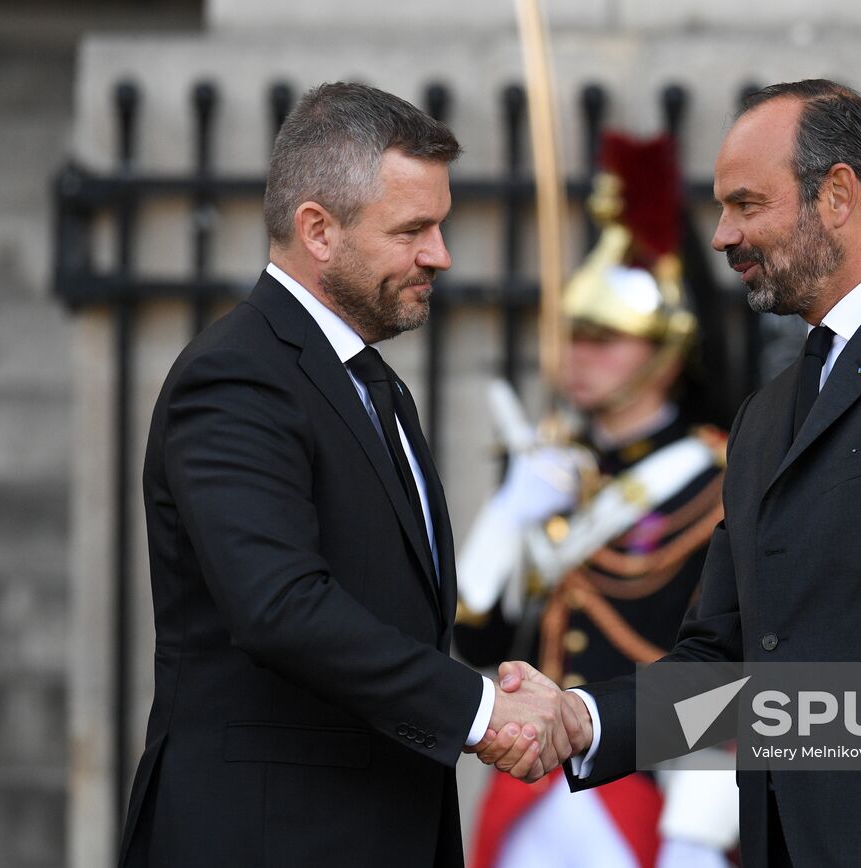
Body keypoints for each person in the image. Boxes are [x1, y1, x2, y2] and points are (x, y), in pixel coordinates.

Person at [481, 79, 861, 867]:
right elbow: (725, 663)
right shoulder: (767, 415)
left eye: (747, 205)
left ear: (837, 195)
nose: (723, 236)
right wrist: (582, 721)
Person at [118, 82, 584, 868]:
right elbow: (279, 605)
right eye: (413, 230)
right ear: (318, 230)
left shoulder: (368, 381)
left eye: (440, 225)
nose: (439, 254)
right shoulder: (237, 377)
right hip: (267, 838)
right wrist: (480, 710)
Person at [455, 132, 739, 868]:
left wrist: (703, 821)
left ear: (667, 348)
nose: (577, 357)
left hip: (655, 789)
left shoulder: (719, 479)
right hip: (539, 788)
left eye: (605, 338)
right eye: (574, 336)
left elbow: (734, 660)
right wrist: (508, 516)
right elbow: (474, 638)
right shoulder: (561, 472)